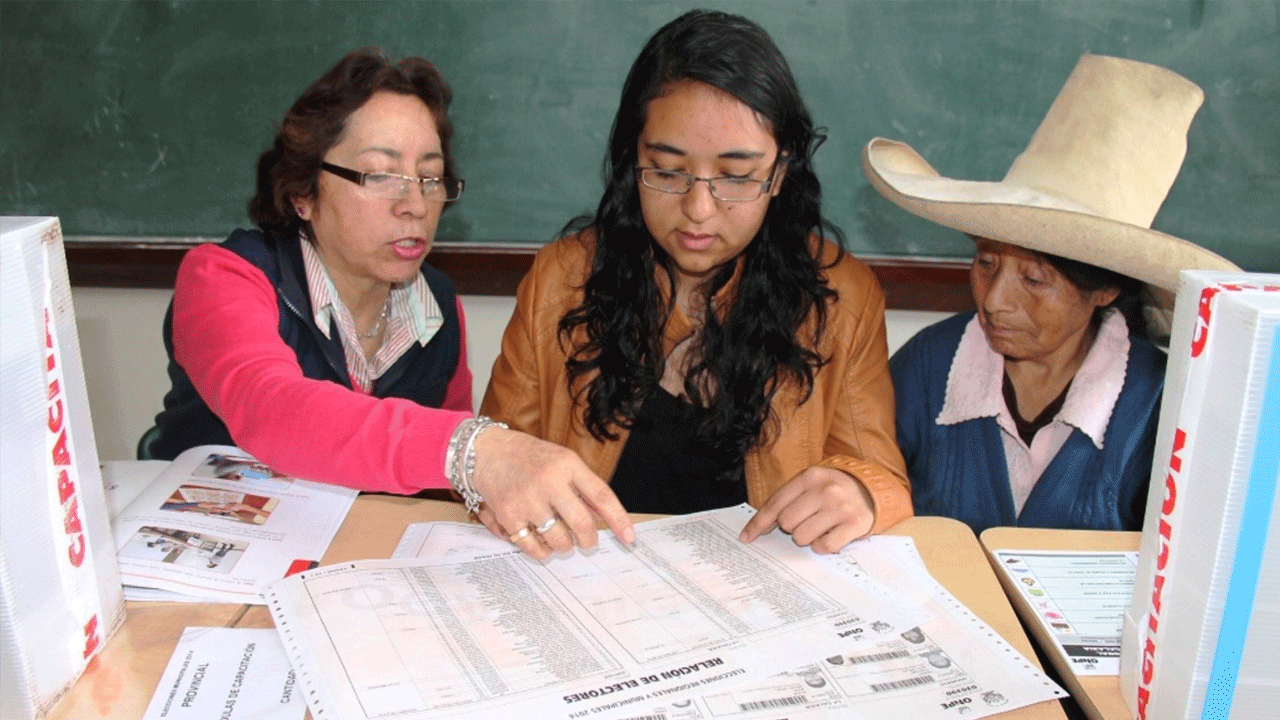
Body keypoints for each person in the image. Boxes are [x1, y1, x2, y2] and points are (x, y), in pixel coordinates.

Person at [143, 48, 633, 558]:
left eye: (430, 177)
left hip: (347, 559)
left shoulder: (437, 306)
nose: (415, 205)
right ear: (302, 194)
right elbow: (270, 409)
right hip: (201, 553)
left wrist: (480, 493)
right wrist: (472, 452)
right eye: (379, 175)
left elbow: (436, 483)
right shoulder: (226, 276)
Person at [480, 10, 912, 553]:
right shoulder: (562, 279)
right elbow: (491, 462)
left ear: (778, 174)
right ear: (631, 160)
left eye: (735, 176)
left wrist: (860, 493)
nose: (698, 210)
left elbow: (881, 477)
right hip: (588, 596)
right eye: (666, 171)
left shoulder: (841, 296)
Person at [864, 54, 1240, 534]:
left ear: (1103, 289)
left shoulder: (1160, 404)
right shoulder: (926, 366)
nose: (995, 299)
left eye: (1035, 279)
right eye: (986, 263)